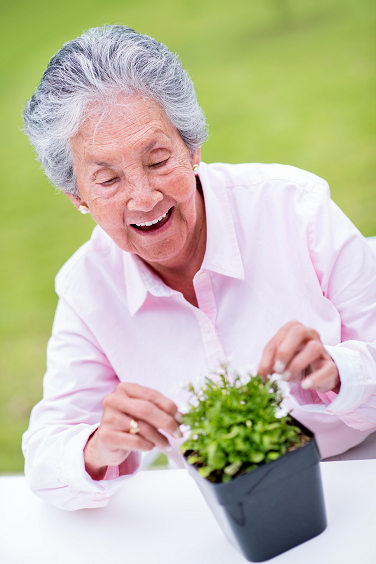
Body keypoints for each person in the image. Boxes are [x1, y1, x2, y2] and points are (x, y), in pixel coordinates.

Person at [22, 25, 376, 510]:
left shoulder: (296, 208)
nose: (144, 199)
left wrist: (337, 370)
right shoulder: (88, 289)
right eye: (107, 179)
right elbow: (44, 456)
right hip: (230, 517)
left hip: (360, 477)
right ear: (78, 197)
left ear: (193, 149)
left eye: (158, 159)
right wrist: (96, 445)